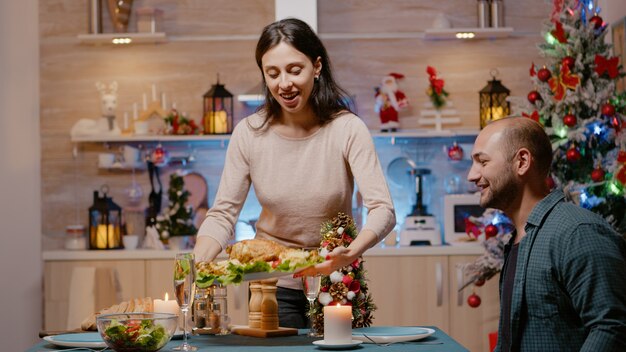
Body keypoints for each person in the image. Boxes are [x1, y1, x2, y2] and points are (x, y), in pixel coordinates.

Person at [193, 18, 396, 329]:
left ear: (316, 67)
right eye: (272, 74)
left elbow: (382, 209)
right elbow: (223, 214)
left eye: (294, 70)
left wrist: (351, 252)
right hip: (271, 286)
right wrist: (199, 264)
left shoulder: (347, 128)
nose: (283, 83)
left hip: (335, 280)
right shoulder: (248, 133)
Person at [467, 116, 626, 351]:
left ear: (522, 161)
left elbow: (613, 328)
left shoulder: (577, 233)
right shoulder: (519, 239)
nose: (471, 175)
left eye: (483, 162)